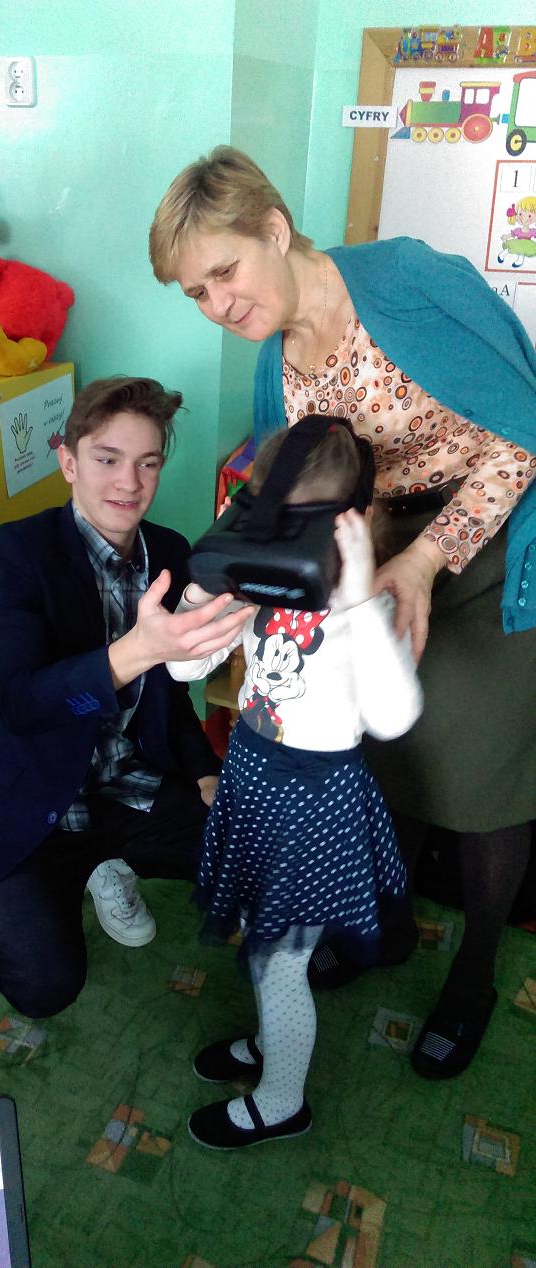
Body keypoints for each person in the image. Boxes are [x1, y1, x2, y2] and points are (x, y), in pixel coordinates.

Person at [150, 145, 536, 1079]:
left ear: (274, 229)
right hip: (372, 565)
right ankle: (388, 929)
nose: (217, 305)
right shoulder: (273, 364)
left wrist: (423, 562)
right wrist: (227, 592)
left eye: (225, 272)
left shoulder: (407, 279)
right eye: (195, 292)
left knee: (483, 779)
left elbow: (525, 428)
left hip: (489, 542)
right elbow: (284, 495)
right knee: (389, 751)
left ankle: (475, 972)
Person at [0, 376, 252, 1018]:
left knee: (251, 857)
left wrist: (204, 771)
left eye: (147, 463)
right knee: (42, 987)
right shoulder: (17, 551)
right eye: (108, 459)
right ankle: (10, 913)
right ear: (69, 462)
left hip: (130, 783)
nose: (129, 483)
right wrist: (137, 649)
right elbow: (23, 703)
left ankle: (110, 862)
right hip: (36, 799)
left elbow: (168, 694)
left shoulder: (170, 552)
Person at [166, 420, 422, 1149]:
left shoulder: (361, 610)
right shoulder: (257, 583)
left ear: (352, 528)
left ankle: (282, 1102)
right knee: (265, 945)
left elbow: (394, 716)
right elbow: (183, 668)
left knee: (280, 963)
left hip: (314, 806)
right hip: (253, 782)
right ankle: (272, 1043)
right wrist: (206, 588)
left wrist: (357, 599)